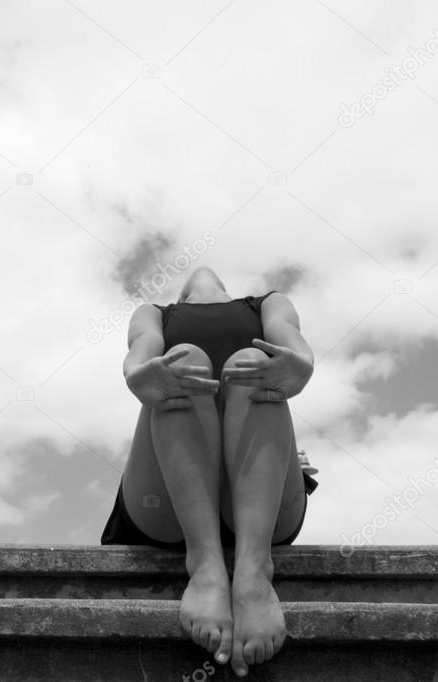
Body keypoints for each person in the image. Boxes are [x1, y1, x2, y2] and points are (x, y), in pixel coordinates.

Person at [100, 267, 317, 677]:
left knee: (252, 361)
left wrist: (301, 365)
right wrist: (137, 373)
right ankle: (204, 566)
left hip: (255, 511)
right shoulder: (155, 313)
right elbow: (140, 345)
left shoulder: (267, 303)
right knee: (183, 360)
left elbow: (289, 334)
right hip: (171, 510)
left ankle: (254, 572)